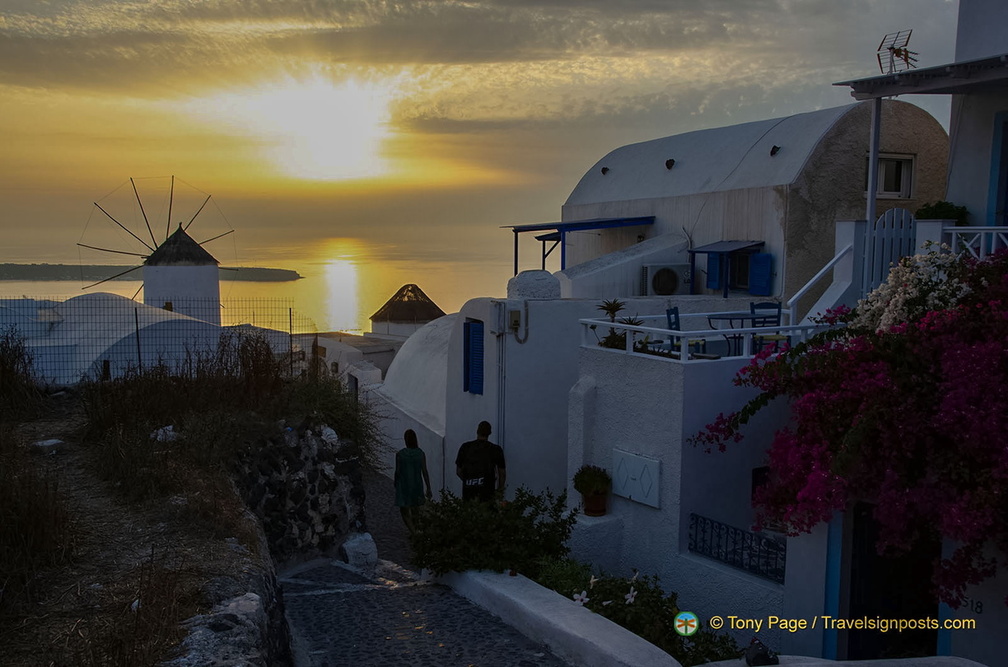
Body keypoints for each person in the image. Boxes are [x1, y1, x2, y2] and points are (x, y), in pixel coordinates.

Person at [455, 420, 506, 502]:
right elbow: (502, 474)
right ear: (490, 433)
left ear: (477, 431)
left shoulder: (465, 447)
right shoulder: (496, 449)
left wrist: (469, 481)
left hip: (468, 492)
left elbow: (458, 471)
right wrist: (499, 491)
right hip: (488, 493)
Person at [394, 429, 432, 533]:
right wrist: (428, 487)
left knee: (404, 511)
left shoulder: (400, 454)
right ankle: (417, 530)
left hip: (403, 485)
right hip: (417, 484)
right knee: (416, 510)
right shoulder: (420, 453)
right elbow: (424, 471)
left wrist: (396, 483)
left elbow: (397, 471)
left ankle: (413, 531)